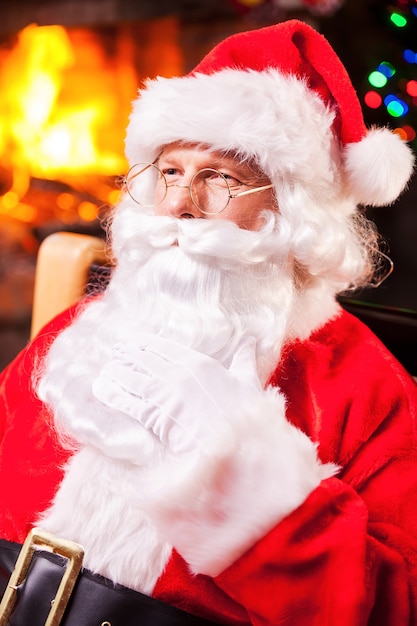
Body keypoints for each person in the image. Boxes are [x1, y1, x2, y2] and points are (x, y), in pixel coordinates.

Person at [0, 18, 416, 626]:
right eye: (169, 171)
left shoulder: (363, 385)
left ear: (295, 208)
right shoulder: (76, 330)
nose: (179, 205)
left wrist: (256, 489)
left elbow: (391, 609)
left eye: (220, 176)